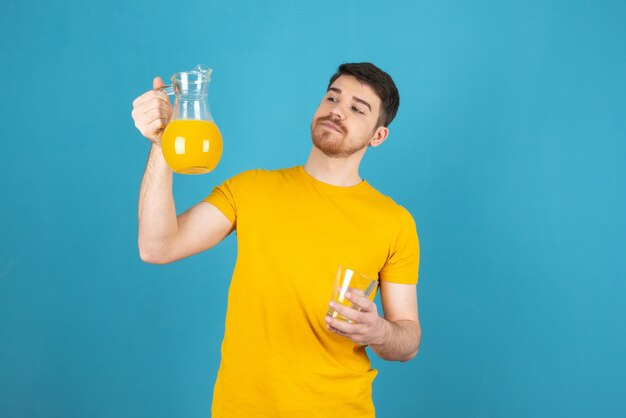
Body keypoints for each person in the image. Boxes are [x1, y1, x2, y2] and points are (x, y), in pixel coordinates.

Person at [131, 62, 421, 418]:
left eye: (357, 109)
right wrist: (163, 144)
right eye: (333, 97)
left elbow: (407, 341)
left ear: (378, 136)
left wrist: (377, 331)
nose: (337, 111)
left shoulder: (394, 222)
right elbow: (156, 247)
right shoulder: (252, 189)